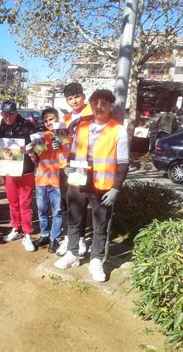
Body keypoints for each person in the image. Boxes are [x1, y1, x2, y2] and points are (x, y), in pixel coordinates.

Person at [55, 89, 129, 282]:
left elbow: (123, 163)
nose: (99, 106)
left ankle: (96, 260)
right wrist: (67, 167)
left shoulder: (118, 130)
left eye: (104, 103)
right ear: (91, 104)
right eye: (96, 102)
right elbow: (73, 153)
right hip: (78, 182)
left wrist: (115, 188)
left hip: (102, 187)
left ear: (110, 106)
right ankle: (72, 253)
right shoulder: (82, 127)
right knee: (74, 220)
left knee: (100, 226)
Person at [57, 82, 93, 257]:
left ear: (83, 96)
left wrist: (81, 121)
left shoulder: (92, 112)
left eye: (77, 97)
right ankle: (67, 238)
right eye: (70, 99)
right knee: (66, 203)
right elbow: (63, 143)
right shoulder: (64, 119)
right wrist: (58, 142)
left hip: (84, 166)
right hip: (66, 166)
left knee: (81, 204)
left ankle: (80, 239)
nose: (74, 101)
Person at [0, 100, 37, 252]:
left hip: (26, 170)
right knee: (13, 202)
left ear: (16, 112)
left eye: (11, 113)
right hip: (9, 170)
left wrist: (32, 149)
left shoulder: (28, 125)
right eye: (5, 113)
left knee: (25, 204)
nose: (8, 117)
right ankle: (16, 227)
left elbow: (40, 145)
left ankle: (27, 234)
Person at [33, 108, 64, 253]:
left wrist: (61, 145)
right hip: (42, 179)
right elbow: (36, 160)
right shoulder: (41, 136)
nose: (48, 123)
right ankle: (44, 234)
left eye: (51, 119)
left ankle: (55, 238)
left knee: (57, 211)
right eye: (45, 121)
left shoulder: (63, 133)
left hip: (58, 179)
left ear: (57, 118)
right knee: (41, 209)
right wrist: (31, 153)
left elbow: (69, 153)